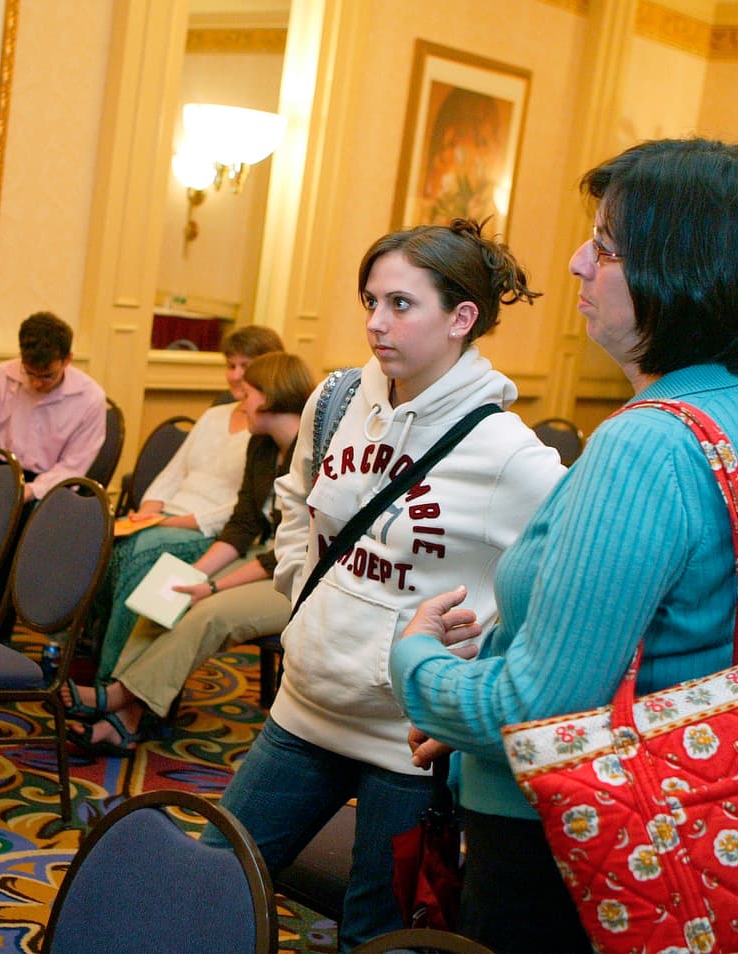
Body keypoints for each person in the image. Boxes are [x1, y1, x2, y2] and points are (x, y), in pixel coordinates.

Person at [390, 139, 738, 952]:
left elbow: (536, 710)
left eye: (606, 248)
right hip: (687, 807)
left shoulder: (646, 445)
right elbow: (660, 641)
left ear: (681, 277)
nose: (577, 262)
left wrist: (416, 667)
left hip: (571, 839)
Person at [202, 219, 566, 949]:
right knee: (213, 882)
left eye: (401, 304)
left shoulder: (506, 453)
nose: (375, 323)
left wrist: (484, 668)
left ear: (462, 318)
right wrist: (305, 600)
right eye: (370, 300)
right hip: (303, 708)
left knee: (375, 933)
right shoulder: (337, 400)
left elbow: (569, 582)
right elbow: (297, 503)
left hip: (406, 743)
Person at [64, 350, 313, 755]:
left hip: (303, 576)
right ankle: (124, 720)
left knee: (207, 612)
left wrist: (213, 587)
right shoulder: (262, 446)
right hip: (266, 554)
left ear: (270, 398)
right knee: (171, 589)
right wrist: (194, 575)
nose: (239, 403)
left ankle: (115, 699)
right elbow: (244, 525)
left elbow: (295, 550)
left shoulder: (320, 453)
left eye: (247, 393)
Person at [82, 328, 284, 684]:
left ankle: (111, 675)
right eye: (231, 365)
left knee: (139, 553)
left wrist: (170, 523)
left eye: (245, 367)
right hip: (166, 516)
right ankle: (85, 650)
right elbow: (172, 473)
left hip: (209, 528)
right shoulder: (213, 416)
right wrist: (150, 509)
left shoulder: (264, 432)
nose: (235, 375)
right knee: (105, 542)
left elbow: (244, 513)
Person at [0, 310, 106, 502]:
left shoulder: (90, 399)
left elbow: (72, 467)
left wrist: (29, 492)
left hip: (50, 487)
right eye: (30, 373)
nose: (37, 383)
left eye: (47, 376)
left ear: (67, 360)